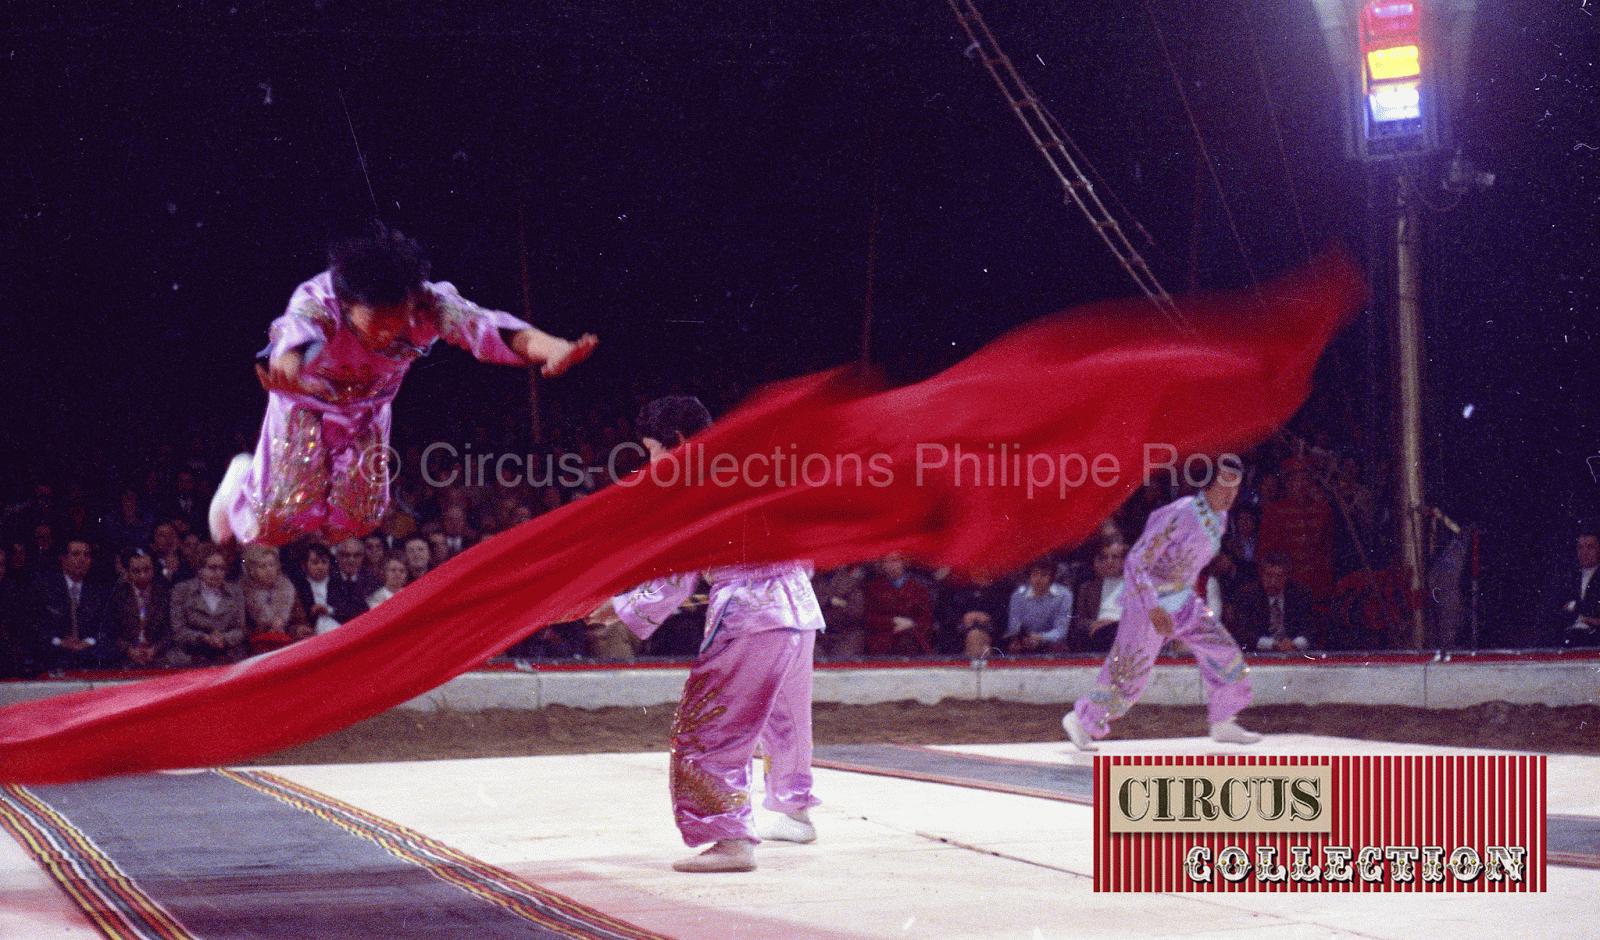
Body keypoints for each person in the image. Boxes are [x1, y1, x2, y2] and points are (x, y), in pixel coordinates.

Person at [209, 228, 597, 547]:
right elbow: (296, 339)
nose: (386, 335)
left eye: (396, 323)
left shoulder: (430, 303)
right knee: (279, 520)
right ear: (345, 304)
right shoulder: (319, 301)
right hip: (306, 405)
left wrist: (554, 348)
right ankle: (240, 479)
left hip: (367, 412)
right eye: (374, 325)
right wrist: (288, 369)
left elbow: (490, 327)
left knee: (357, 521)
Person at [587, 395, 824, 874]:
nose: (652, 461)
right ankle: (795, 810)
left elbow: (675, 578)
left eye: (653, 449)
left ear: (676, 442)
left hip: (750, 617)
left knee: (711, 728)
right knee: (785, 717)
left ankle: (731, 838)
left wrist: (618, 609)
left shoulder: (696, 485)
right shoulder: (757, 467)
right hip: (799, 610)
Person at [1063, 463, 1261, 750]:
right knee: (1130, 675)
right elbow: (1135, 560)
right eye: (1225, 484)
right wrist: (1154, 609)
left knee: (1223, 649)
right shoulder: (1180, 512)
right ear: (1207, 485)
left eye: (1236, 486)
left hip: (1183, 599)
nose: (1231, 493)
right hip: (1148, 601)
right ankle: (1083, 721)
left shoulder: (1219, 519)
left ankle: (1223, 720)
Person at [27, 540, 112, 673]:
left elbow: (107, 627)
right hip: (53, 657)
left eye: (87, 555)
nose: (82, 559)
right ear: (63, 559)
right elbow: (36, 626)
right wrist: (60, 642)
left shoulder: (100, 591)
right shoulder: (44, 589)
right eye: (76, 554)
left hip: (90, 656)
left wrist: (87, 642)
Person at [169, 546, 248, 666]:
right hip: (191, 654)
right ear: (199, 569)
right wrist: (204, 638)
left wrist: (224, 638)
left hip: (227, 654)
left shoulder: (235, 592)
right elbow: (178, 630)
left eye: (222, 568)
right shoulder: (182, 591)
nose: (218, 573)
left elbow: (240, 630)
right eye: (212, 568)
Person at [1227, 550, 1318, 652]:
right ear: (1261, 574)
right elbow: (1242, 632)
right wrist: (1272, 645)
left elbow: (1311, 628)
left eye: (1279, 577)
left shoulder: (1300, 593)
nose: (1273, 582)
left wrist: (1295, 643)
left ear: (1287, 577)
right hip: (1258, 655)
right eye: (1269, 575)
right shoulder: (1246, 594)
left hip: (1294, 653)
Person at [240, 544, 311, 655]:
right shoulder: (243, 592)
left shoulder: (287, 588)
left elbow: (299, 619)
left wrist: (296, 629)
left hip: (287, 642)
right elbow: (242, 628)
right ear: (252, 570)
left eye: (272, 565)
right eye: (263, 566)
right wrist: (267, 628)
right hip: (258, 647)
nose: (269, 570)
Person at [860, 553, 935, 656]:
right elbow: (868, 618)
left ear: (904, 562)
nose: (891, 565)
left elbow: (927, 619)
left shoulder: (920, 587)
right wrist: (893, 621)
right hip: (882, 639)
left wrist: (911, 624)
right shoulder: (873, 588)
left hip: (914, 638)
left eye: (895, 561)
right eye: (886, 562)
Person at [110, 548, 173, 668]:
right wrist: (129, 650)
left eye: (147, 570)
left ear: (153, 570)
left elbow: (171, 631)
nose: (142, 575)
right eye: (136, 571)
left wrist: (154, 650)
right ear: (127, 572)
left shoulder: (165, 595)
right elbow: (111, 633)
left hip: (159, 656)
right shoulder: (117, 596)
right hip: (126, 658)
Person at [1070, 535, 1127, 653]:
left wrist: (1113, 623)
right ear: (1098, 562)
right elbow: (1079, 621)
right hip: (1097, 634)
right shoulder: (1087, 588)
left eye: (1115, 557)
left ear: (1123, 561)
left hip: (1125, 631)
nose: (1109, 562)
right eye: (1105, 558)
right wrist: (1093, 624)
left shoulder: (1134, 586)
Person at [1004, 560, 1073, 654]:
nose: (1038, 579)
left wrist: (1040, 637)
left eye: (1044, 575)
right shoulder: (1018, 595)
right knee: (1014, 647)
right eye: (1035, 574)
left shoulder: (1064, 595)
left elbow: (1061, 631)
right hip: (1025, 640)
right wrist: (1026, 638)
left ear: (1051, 577)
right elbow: (1013, 626)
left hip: (1050, 641)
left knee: (1058, 648)